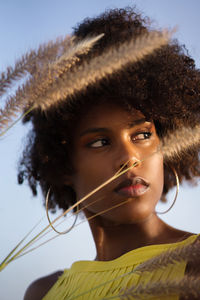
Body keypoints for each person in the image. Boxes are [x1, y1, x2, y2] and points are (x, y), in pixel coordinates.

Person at [20, 7, 200, 300]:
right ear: (63, 165)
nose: (130, 157)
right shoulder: (43, 293)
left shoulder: (194, 267)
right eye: (100, 142)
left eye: (142, 135)